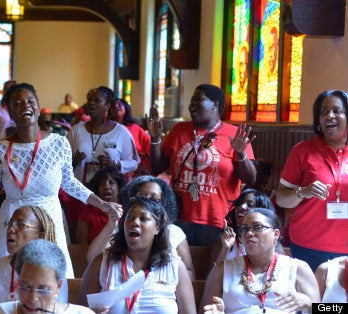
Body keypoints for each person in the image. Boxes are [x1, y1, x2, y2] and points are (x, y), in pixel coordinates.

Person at [0, 83, 122, 278]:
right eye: (17, 103)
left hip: (48, 220)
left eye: (30, 101)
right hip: (13, 222)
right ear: (11, 113)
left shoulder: (59, 143)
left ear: (38, 107)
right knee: (11, 281)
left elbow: (70, 183)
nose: (25, 106)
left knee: (51, 278)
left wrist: (102, 204)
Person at [149, 84, 257, 246]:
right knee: (182, 268)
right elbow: (157, 167)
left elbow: (250, 178)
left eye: (197, 100)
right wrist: (155, 139)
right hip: (180, 216)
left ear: (215, 105)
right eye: (191, 100)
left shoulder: (234, 134)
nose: (191, 104)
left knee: (212, 269)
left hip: (219, 219)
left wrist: (241, 154)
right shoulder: (179, 130)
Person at [79, 197, 195, 313]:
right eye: (130, 217)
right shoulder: (102, 263)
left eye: (144, 218)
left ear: (157, 228)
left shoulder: (175, 267)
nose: (134, 222)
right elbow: (81, 311)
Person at [276, 90, 348, 271]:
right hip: (308, 247)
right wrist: (303, 191)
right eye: (324, 112)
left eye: (336, 111)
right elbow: (281, 199)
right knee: (311, 300)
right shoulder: (302, 151)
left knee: (338, 300)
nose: (329, 116)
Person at [201, 208, 319, 313]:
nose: (249, 233)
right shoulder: (223, 269)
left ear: (276, 234)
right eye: (245, 229)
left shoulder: (297, 268)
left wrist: (308, 303)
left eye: (258, 227)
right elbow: (204, 310)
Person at [86, 175, 197, 280]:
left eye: (154, 198)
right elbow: (92, 259)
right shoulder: (124, 227)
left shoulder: (174, 232)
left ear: (163, 203)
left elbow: (190, 272)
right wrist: (111, 225)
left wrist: (164, 277)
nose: (147, 201)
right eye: (142, 196)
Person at [0, 205, 69, 313]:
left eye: (20, 224)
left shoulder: (53, 272)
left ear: (39, 236)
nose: (11, 229)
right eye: (10, 223)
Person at [0, 239, 95, 314]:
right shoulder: (0, 312)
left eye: (43, 290)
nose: (32, 299)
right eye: (25, 287)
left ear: (58, 286)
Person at [68, 86, 139, 184]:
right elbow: (61, 163)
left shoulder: (121, 132)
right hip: (79, 192)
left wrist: (115, 163)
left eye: (97, 100)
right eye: (89, 100)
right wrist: (73, 161)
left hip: (108, 192)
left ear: (107, 106)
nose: (91, 103)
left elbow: (134, 163)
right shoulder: (76, 130)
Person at [211, 188, 282, 266]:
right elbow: (211, 277)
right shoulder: (224, 242)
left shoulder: (272, 242)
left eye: (250, 205)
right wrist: (225, 249)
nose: (242, 207)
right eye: (239, 203)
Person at [75, 167, 127, 245]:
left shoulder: (128, 214)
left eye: (111, 182)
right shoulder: (86, 216)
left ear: (119, 187)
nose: (106, 187)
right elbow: (81, 249)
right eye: (101, 183)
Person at [109, 98, 151, 175]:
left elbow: (149, 148)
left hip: (135, 170)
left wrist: (142, 166)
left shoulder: (135, 128)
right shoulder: (106, 128)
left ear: (126, 108)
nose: (116, 106)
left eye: (119, 104)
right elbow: (106, 145)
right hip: (112, 168)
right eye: (113, 106)